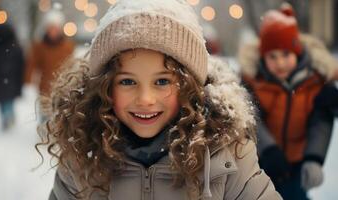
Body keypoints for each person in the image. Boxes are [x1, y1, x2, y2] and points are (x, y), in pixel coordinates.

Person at [40, 0, 281, 199]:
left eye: (162, 81)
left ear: (189, 86)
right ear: (105, 86)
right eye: (127, 81)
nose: (145, 99)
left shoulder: (226, 153)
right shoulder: (82, 157)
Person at [238, 4, 337, 200]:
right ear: (262, 57)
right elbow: (251, 118)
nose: (280, 63)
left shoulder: (314, 84)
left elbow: (320, 123)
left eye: (286, 55)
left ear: (297, 53)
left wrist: (314, 158)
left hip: (296, 163)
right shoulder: (254, 82)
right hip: (261, 162)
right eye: (272, 56)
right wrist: (268, 150)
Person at [24, 8, 75, 118]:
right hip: (45, 86)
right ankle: (43, 132)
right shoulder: (39, 46)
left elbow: (72, 65)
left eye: (55, 28)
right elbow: (32, 64)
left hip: (63, 86)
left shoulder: (68, 46)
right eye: (50, 28)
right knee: (45, 114)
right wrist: (28, 81)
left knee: (59, 114)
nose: (53, 31)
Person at [0, 0, 25, 130]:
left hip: (3, 79)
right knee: (7, 101)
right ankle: (7, 117)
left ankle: (7, 117)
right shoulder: (15, 47)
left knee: (5, 102)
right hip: (8, 80)